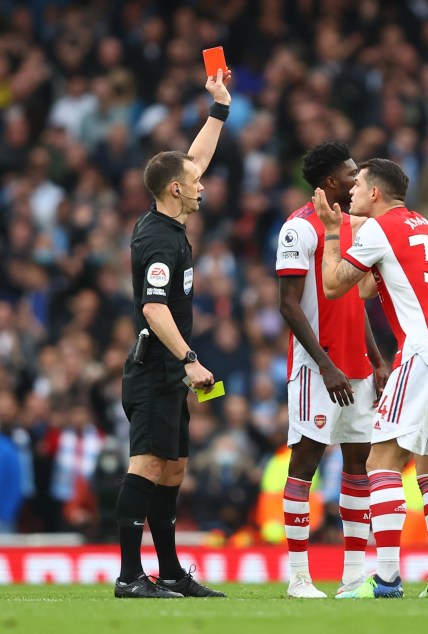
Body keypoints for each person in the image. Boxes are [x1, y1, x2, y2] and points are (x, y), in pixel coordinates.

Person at [313, 158, 428, 599]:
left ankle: (386, 579)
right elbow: (371, 287)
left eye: (358, 186)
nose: (350, 193)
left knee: (379, 463)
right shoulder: (423, 225)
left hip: (424, 356)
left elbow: (333, 286)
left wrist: (334, 233)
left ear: (375, 194)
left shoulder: (377, 229)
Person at [113, 69, 231, 599]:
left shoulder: (170, 217)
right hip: (156, 367)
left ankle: (170, 572)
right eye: (195, 179)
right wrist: (189, 358)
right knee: (148, 465)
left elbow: (197, 158)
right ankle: (128, 576)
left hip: (168, 369)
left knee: (175, 467)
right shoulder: (160, 242)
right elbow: (153, 308)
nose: (204, 181)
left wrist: (219, 108)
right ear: (176, 189)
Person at [274, 141, 390, 598]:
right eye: (350, 174)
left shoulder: (350, 228)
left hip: (357, 368)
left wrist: (376, 360)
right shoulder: (298, 229)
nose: (357, 179)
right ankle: (299, 577)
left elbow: (353, 301)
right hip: (315, 369)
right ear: (328, 183)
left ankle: (353, 576)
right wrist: (324, 366)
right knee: (305, 462)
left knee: (358, 464)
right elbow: (287, 305)